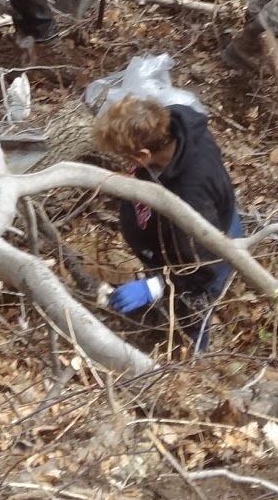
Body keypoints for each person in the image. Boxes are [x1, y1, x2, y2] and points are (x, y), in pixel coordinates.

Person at [94, 95, 242, 350]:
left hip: (208, 253)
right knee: (173, 296)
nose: (124, 163)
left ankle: (193, 359)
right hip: (173, 243)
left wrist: (155, 286)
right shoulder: (170, 126)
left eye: (126, 157)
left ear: (143, 153)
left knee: (191, 310)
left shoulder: (191, 195)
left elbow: (203, 267)